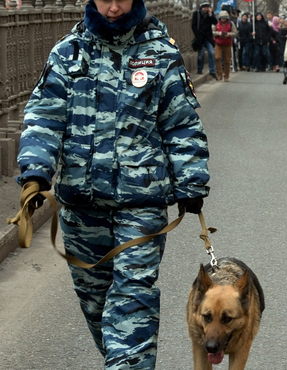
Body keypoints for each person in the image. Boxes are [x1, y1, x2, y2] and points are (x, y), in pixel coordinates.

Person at [16, 0, 209, 367]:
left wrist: (191, 180)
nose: (115, 7)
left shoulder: (159, 53)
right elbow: (44, 116)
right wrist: (36, 173)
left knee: (132, 301)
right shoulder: (68, 53)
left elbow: (181, 123)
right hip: (80, 207)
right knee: (98, 307)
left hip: (142, 206)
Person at [191, 2, 217, 79]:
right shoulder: (197, 14)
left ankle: (212, 70)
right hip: (200, 37)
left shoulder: (210, 15)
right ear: (202, 7)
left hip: (208, 37)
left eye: (207, 7)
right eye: (204, 7)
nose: (206, 9)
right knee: (201, 54)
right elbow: (193, 25)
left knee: (211, 52)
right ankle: (200, 69)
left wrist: (210, 14)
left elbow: (215, 22)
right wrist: (197, 34)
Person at [213, 10, 237, 81]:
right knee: (217, 58)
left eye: (225, 18)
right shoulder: (216, 24)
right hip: (218, 43)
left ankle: (226, 75)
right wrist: (219, 33)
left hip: (227, 44)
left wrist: (228, 34)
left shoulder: (231, 24)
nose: (223, 19)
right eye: (222, 18)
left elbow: (235, 33)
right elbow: (212, 32)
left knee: (227, 60)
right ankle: (219, 74)